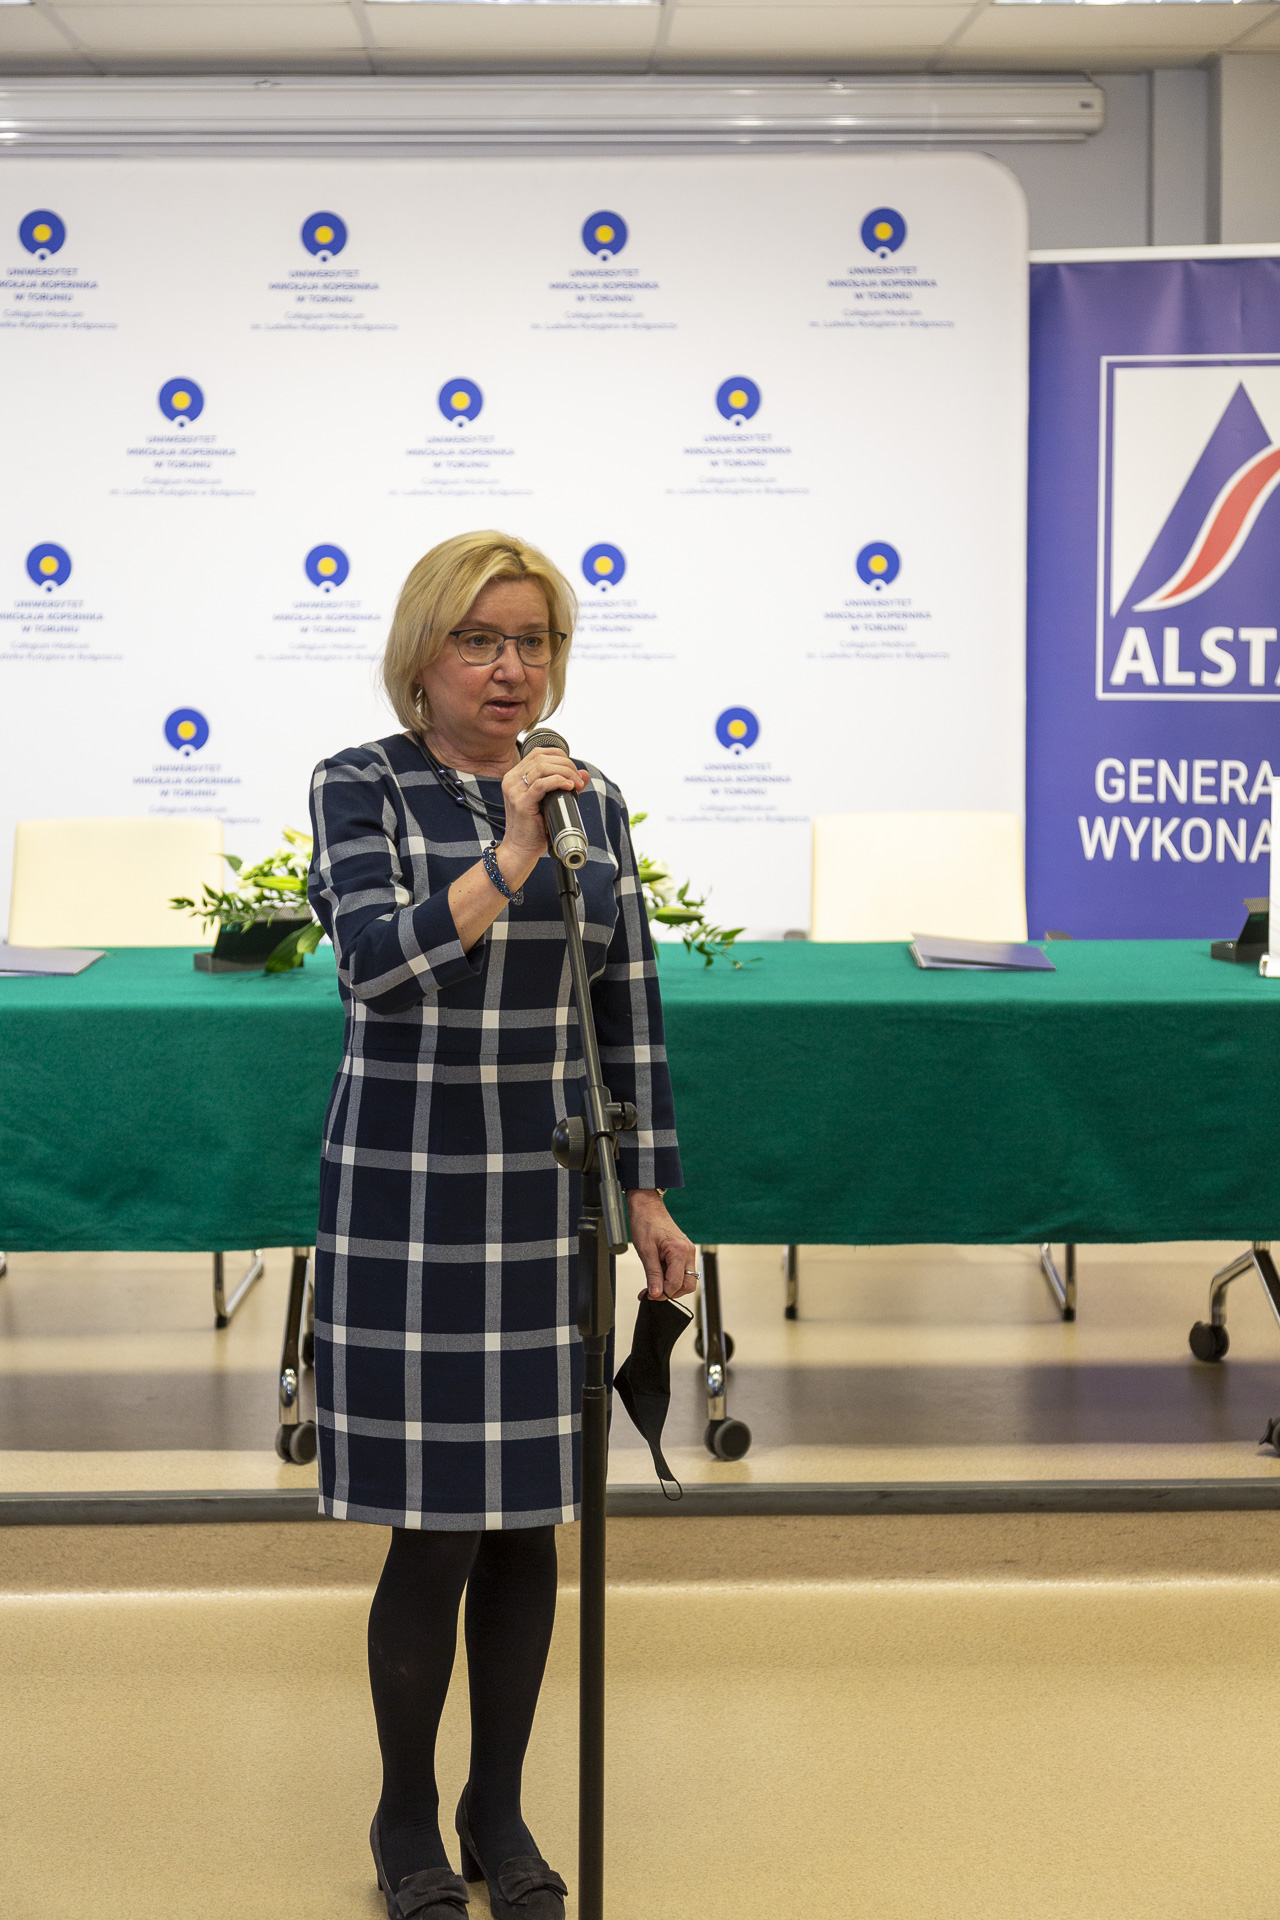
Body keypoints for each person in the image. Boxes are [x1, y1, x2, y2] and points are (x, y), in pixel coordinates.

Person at [307, 530, 696, 1920]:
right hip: (410, 1199)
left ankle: (499, 1805)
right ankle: (405, 1817)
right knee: (436, 1529)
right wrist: (513, 851)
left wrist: (647, 1190)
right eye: (481, 640)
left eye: (533, 642)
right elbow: (377, 965)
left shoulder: (595, 801)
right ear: (424, 656)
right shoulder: (361, 784)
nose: (511, 667)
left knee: (530, 1522)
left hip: (546, 1200)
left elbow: (625, 1001)